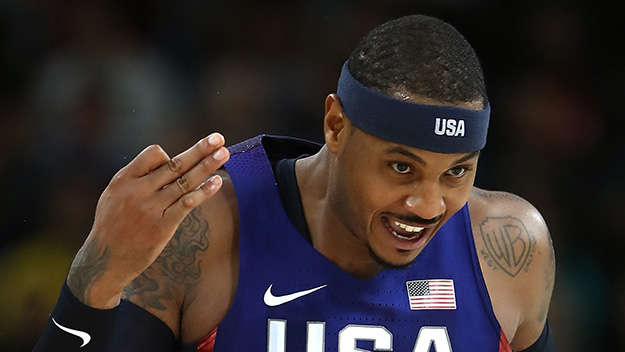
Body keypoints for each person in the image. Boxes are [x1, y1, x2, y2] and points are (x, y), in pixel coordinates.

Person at [33, 14, 556, 351]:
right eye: (402, 167)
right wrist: (93, 279)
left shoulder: (509, 247)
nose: (427, 203)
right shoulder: (207, 228)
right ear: (335, 126)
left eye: (456, 172)